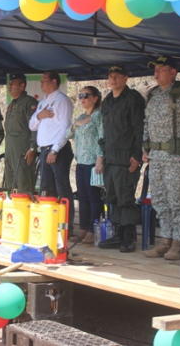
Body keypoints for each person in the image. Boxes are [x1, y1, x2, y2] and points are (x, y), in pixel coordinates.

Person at [143, 55, 180, 260]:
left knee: (177, 200)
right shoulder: (152, 94)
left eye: (161, 68)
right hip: (156, 156)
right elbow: (146, 122)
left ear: (173, 72)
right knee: (159, 199)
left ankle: (179, 241)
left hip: (176, 156)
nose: (156, 73)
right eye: (155, 69)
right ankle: (165, 239)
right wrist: (145, 146)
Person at [98, 65, 146, 253]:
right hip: (110, 157)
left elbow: (139, 128)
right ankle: (118, 234)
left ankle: (128, 236)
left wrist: (137, 154)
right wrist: (102, 155)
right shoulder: (108, 101)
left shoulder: (133, 98)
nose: (113, 80)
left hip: (127, 158)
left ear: (126, 78)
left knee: (126, 197)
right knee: (113, 197)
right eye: (110, 77)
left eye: (117, 77)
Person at [29, 70, 75, 233]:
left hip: (58, 149)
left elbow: (65, 127)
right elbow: (32, 125)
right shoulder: (42, 103)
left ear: (54, 82)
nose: (41, 84)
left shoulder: (62, 101)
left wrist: (55, 150)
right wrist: (39, 116)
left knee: (62, 187)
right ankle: (49, 223)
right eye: (41, 81)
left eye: (45, 81)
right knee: (46, 187)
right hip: (44, 149)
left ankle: (66, 226)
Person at [66, 86, 104, 244]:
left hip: (93, 162)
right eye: (80, 95)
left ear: (95, 98)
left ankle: (92, 230)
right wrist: (76, 124)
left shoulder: (99, 115)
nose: (82, 98)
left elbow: (102, 137)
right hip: (80, 161)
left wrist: (100, 158)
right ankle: (82, 228)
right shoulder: (81, 116)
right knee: (82, 197)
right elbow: (68, 134)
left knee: (93, 196)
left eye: (86, 95)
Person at [4, 72, 38, 194]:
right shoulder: (12, 104)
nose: (10, 87)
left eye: (13, 84)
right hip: (9, 150)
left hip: (22, 150)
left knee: (23, 185)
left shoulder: (29, 103)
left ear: (22, 86)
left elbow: (35, 127)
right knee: (11, 184)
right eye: (9, 84)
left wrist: (32, 148)